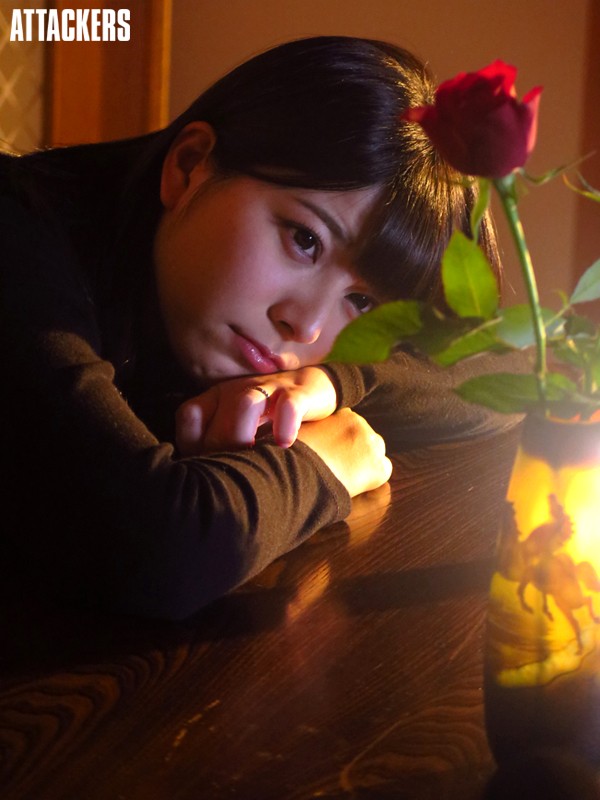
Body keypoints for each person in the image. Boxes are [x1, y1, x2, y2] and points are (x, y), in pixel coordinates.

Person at [0, 36, 519, 620]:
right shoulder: (19, 237)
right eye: (305, 240)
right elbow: (159, 547)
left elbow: (511, 368)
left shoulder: (231, 321)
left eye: (361, 301)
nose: (305, 325)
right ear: (189, 166)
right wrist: (320, 465)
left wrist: (336, 382)